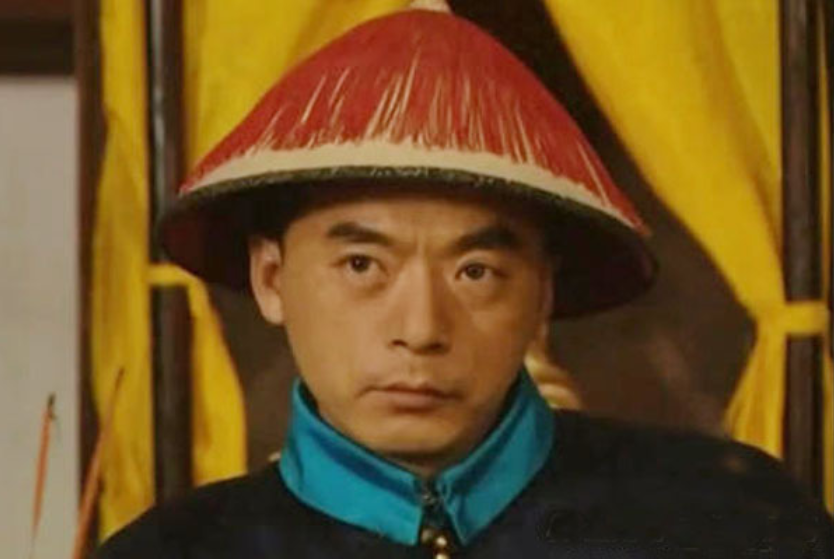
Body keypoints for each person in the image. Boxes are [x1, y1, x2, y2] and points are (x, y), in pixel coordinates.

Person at [98, 3, 833, 558]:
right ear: (271, 278)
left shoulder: (734, 524)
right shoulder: (171, 551)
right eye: (363, 265)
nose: (420, 329)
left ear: (543, 294)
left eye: (475, 271)